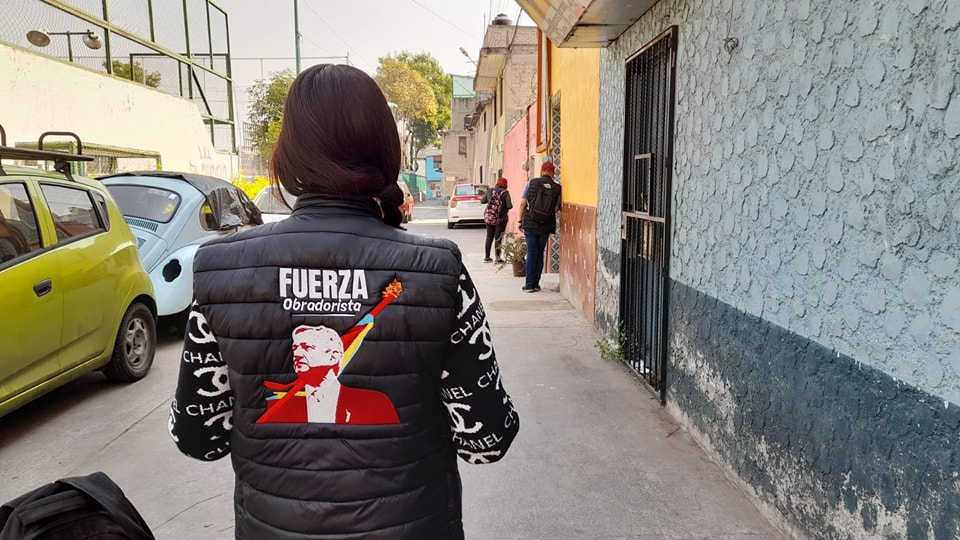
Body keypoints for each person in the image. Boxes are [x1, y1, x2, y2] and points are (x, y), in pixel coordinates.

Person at [168, 64, 519, 539]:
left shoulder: (219, 269)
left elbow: (199, 438)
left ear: (287, 154)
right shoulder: (437, 270)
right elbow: (486, 440)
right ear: (385, 151)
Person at [518, 161, 562, 292]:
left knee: (531, 252)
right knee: (540, 252)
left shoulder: (531, 183)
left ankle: (529, 284)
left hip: (530, 222)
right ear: (553, 173)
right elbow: (556, 208)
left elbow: (522, 203)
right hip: (545, 224)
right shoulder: (557, 188)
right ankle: (536, 284)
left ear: (542, 171)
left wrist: (520, 221)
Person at [481, 177, 513, 263]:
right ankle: (498, 258)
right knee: (498, 238)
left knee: (489, 237)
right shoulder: (505, 193)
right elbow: (509, 206)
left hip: (490, 217)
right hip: (501, 219)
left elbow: (482, 201)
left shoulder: (490, 191)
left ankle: (487, 257)